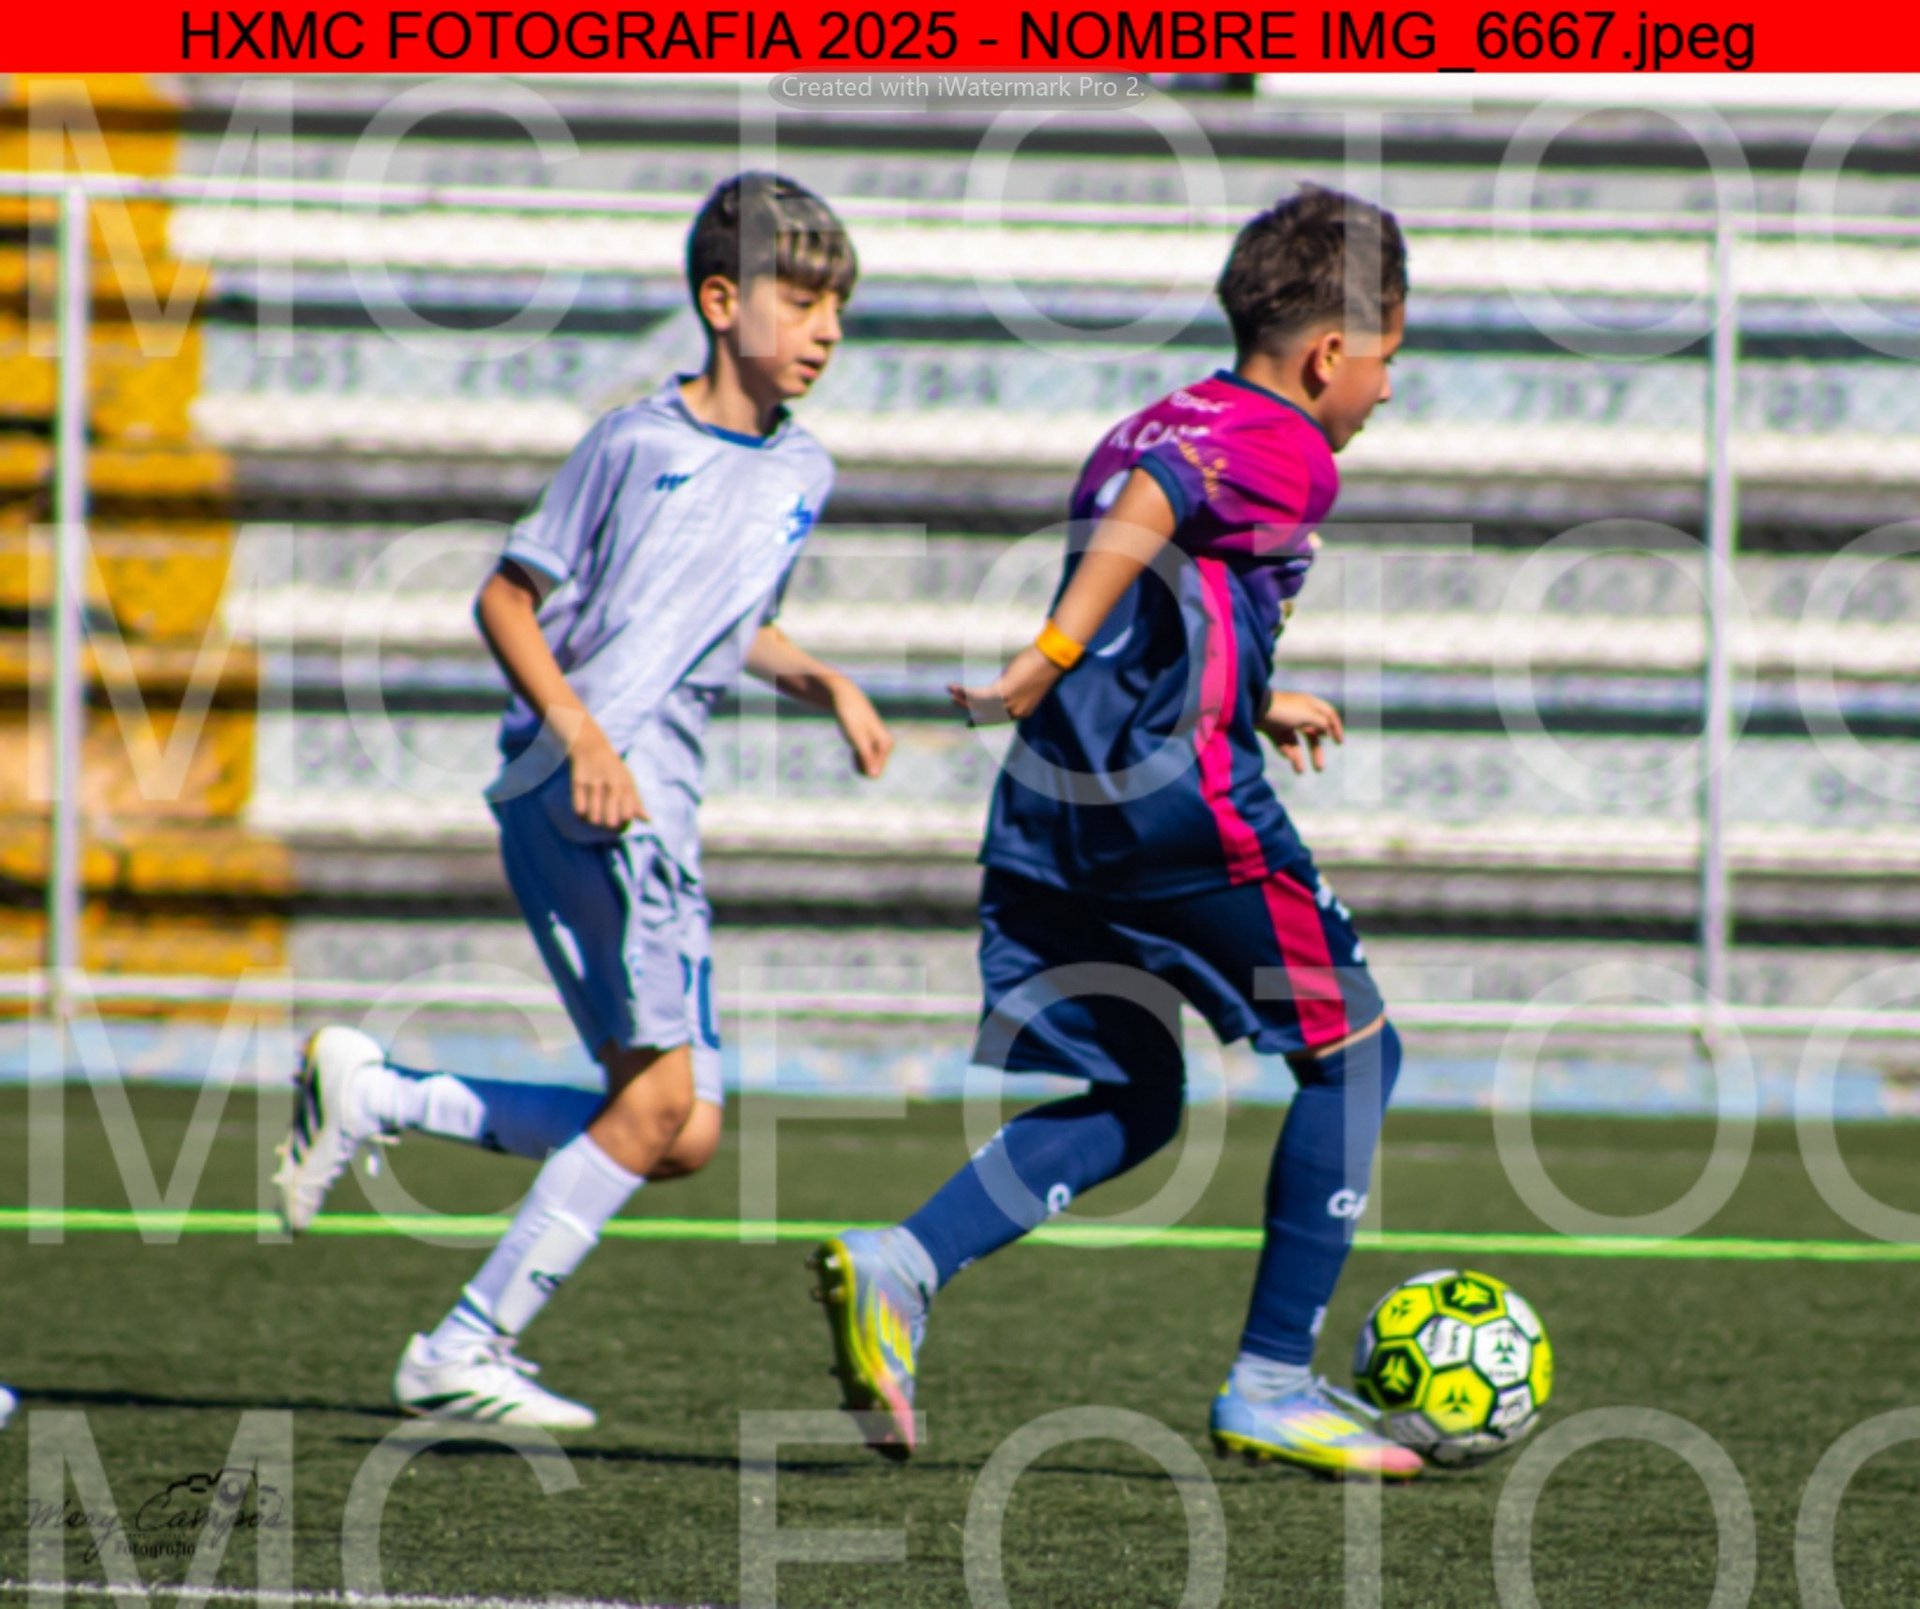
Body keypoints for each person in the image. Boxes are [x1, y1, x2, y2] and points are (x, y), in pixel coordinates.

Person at [810, 185, 1421, 1478]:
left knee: (1139, 1096)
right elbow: (1155, 507)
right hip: (1173, 806)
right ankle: (1272, 1380)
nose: (1385, 392)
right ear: (1330, 353)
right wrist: (1042, 653)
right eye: (1387, 362)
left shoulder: (1156, 412)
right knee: (1358, 1056)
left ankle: (901, 1263)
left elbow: (1161, 579)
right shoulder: (1284, 444)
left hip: (1054, 804)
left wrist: (1251, 695)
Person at [273, 173, 893, 1430]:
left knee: (680, 1129)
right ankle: (462, 1344)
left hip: (652, 789)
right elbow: (505, 599)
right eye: (800, 301)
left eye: (838, 307)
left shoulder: (805, 470)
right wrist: (586, 736)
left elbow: (726, 621)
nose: (826, 330)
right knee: (660, 1107)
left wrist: (821, 677)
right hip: (597, 787)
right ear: (720, 303)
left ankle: (379, 1093)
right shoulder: (631, 442)